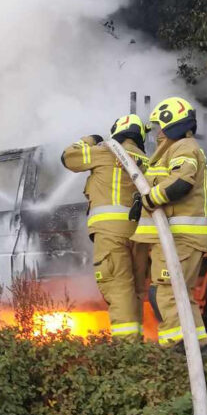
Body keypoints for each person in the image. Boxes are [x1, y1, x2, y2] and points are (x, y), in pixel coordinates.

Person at [131, 97, 207, 350]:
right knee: (181, 297)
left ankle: (177, 350)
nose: (157, 132)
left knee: (165, 294)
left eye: (159, 126)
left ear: (171, 123)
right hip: (179, 239)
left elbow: (181, 182)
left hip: (181, 238)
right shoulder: (174, 149)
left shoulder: (183, 147)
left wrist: (150, 199)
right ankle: (198, 350)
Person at [61, 115, 148, 340]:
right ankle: (136, 343)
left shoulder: (105, 152)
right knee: (136, 291)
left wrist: (90, 139)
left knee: (118, 288)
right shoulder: (146, 159)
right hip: (141, 234)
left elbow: (69, 157)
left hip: (111, 234)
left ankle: (127, 350)